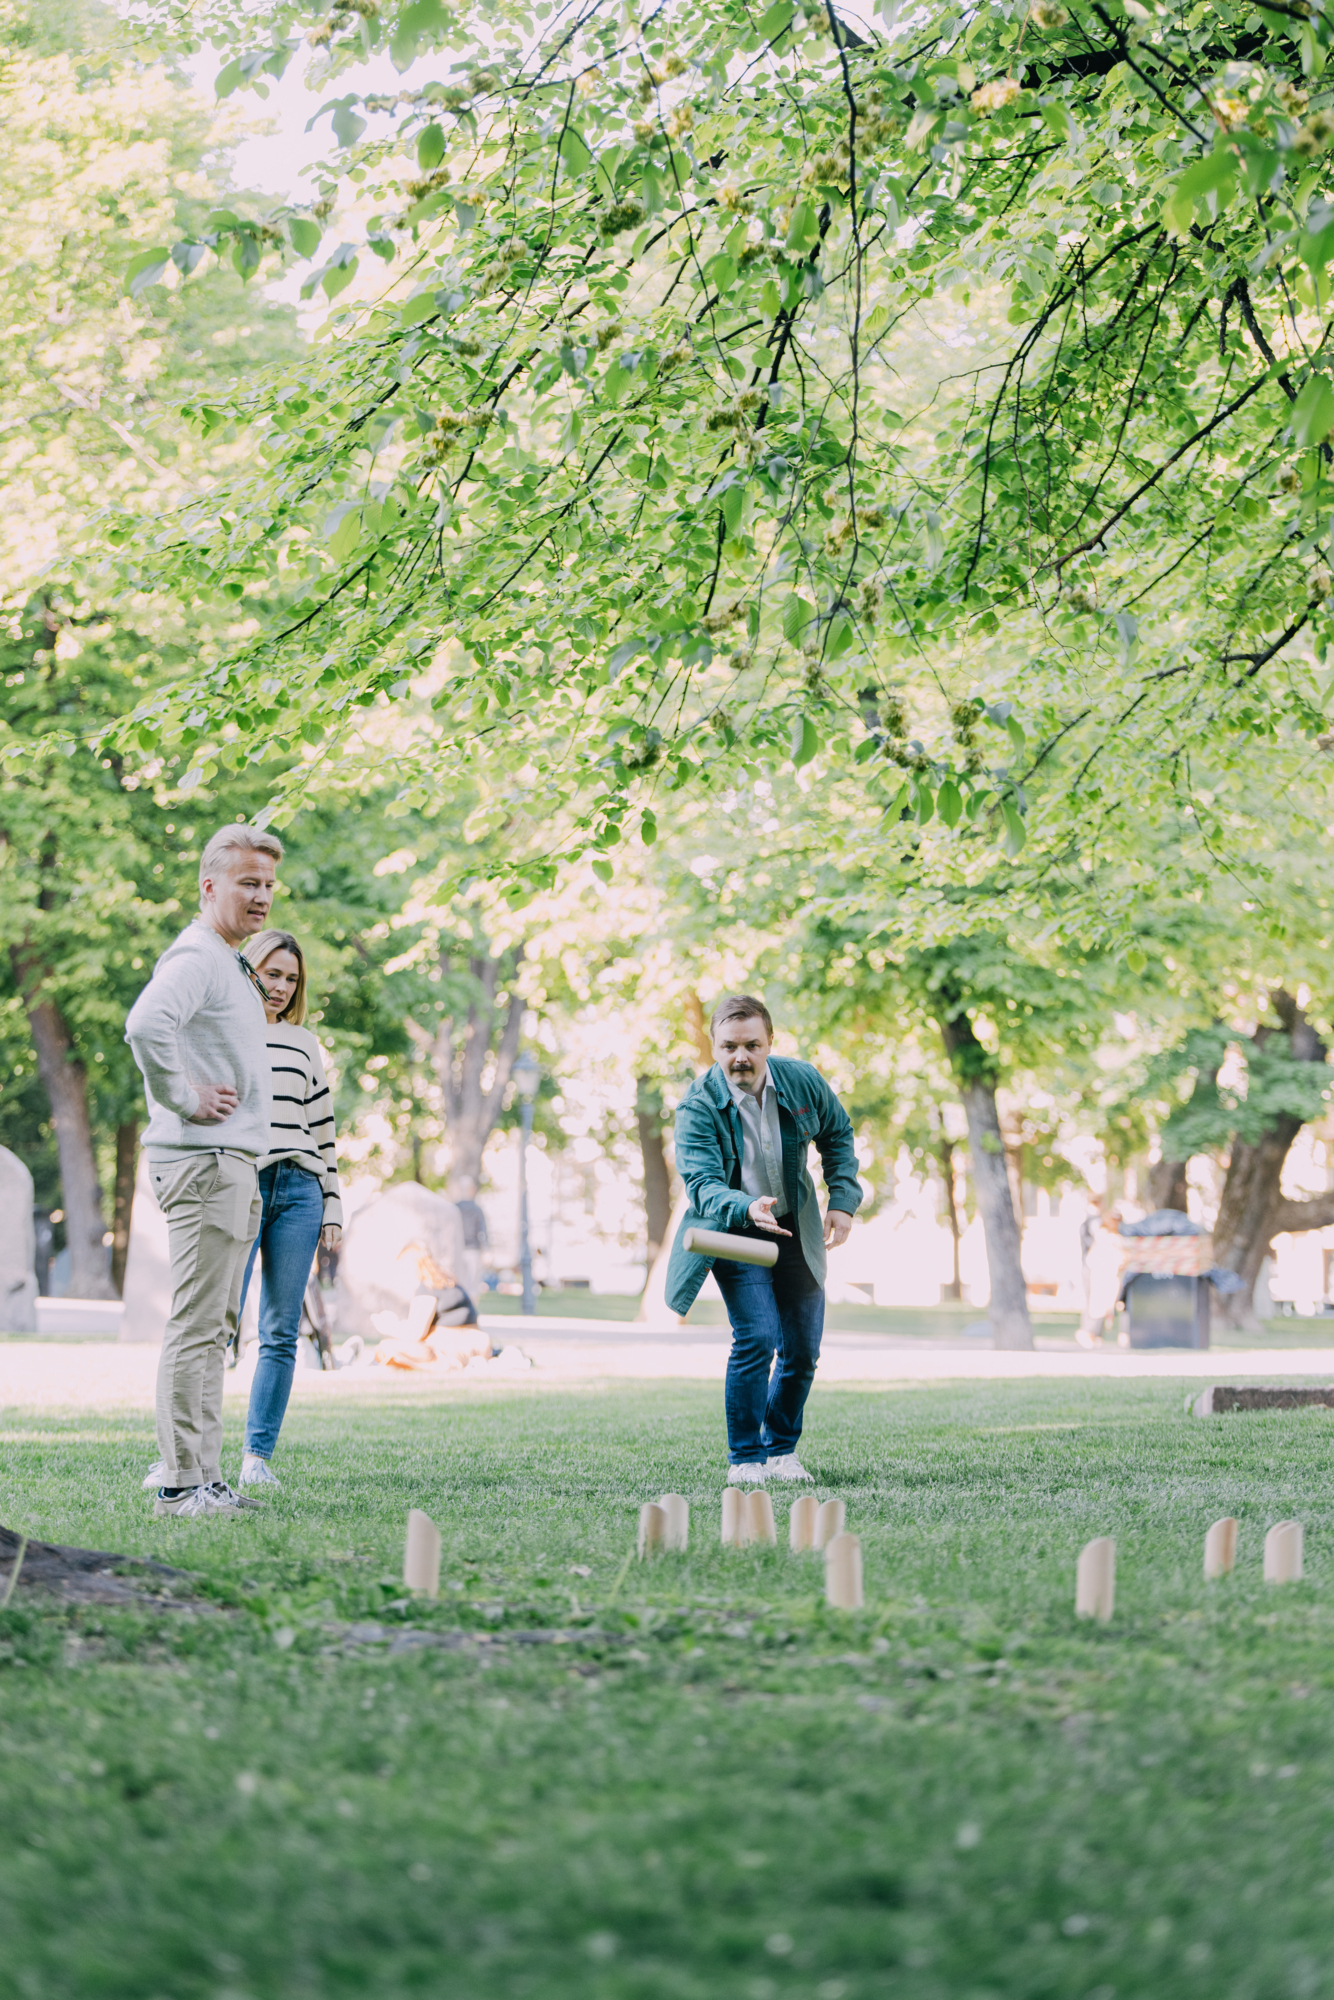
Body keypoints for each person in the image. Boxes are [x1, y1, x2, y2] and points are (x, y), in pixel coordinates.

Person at [124, 825, 281, 1518]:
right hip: (206, 1162)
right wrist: (184, 1096)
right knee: (196, 1327)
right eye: (249, 883)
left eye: (270, 885)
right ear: (210, 886)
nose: (262, 897)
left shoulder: (225, 959)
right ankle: (184, 1483)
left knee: (208, 1327)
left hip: (228, 1164)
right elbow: (145, 1024)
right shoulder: (196, 957)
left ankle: (198, 1474)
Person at [664, 994, 862, 1484]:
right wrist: (745, 1206)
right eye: (729, 1046)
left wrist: (842, 1199)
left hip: (795, 1225)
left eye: (752, 1045)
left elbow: (837, 1134)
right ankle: (746, 1459)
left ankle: (781, 1451)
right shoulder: (697, 1106)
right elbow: (702, 1186)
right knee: (758, 1337)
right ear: (714, 1047)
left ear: (770, 1042)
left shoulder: (802, 1080)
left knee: (802, 1350)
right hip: (737, 1232)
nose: (741, 1057)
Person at [233, 929, 344, 1487]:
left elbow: (323, 1130)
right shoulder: (222, 1030)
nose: (280, 987)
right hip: (240, 1184)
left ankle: (257, 1459)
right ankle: (185, 1453)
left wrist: (333, 1204)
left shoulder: (303, 1043)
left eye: (291, 979)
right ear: (249, 967)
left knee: (279, 1331)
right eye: (271, 973)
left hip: (300, 1190)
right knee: (215, 1323)